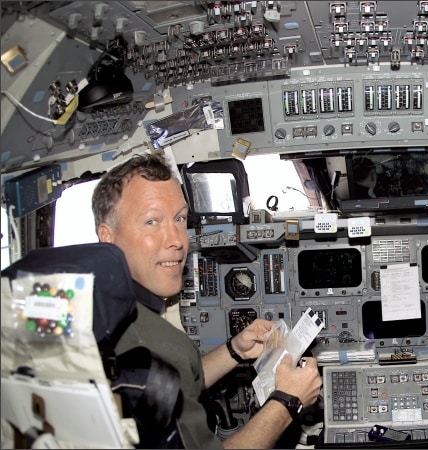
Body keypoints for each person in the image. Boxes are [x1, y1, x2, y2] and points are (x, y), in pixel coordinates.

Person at [92, 152, 322, 449]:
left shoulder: (106, 309)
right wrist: (289, 401)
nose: (176, 239)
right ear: (107, 237)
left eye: (179, 219)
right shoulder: (142, 335)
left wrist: (234, 351)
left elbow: (174, 386)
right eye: (152, 222)